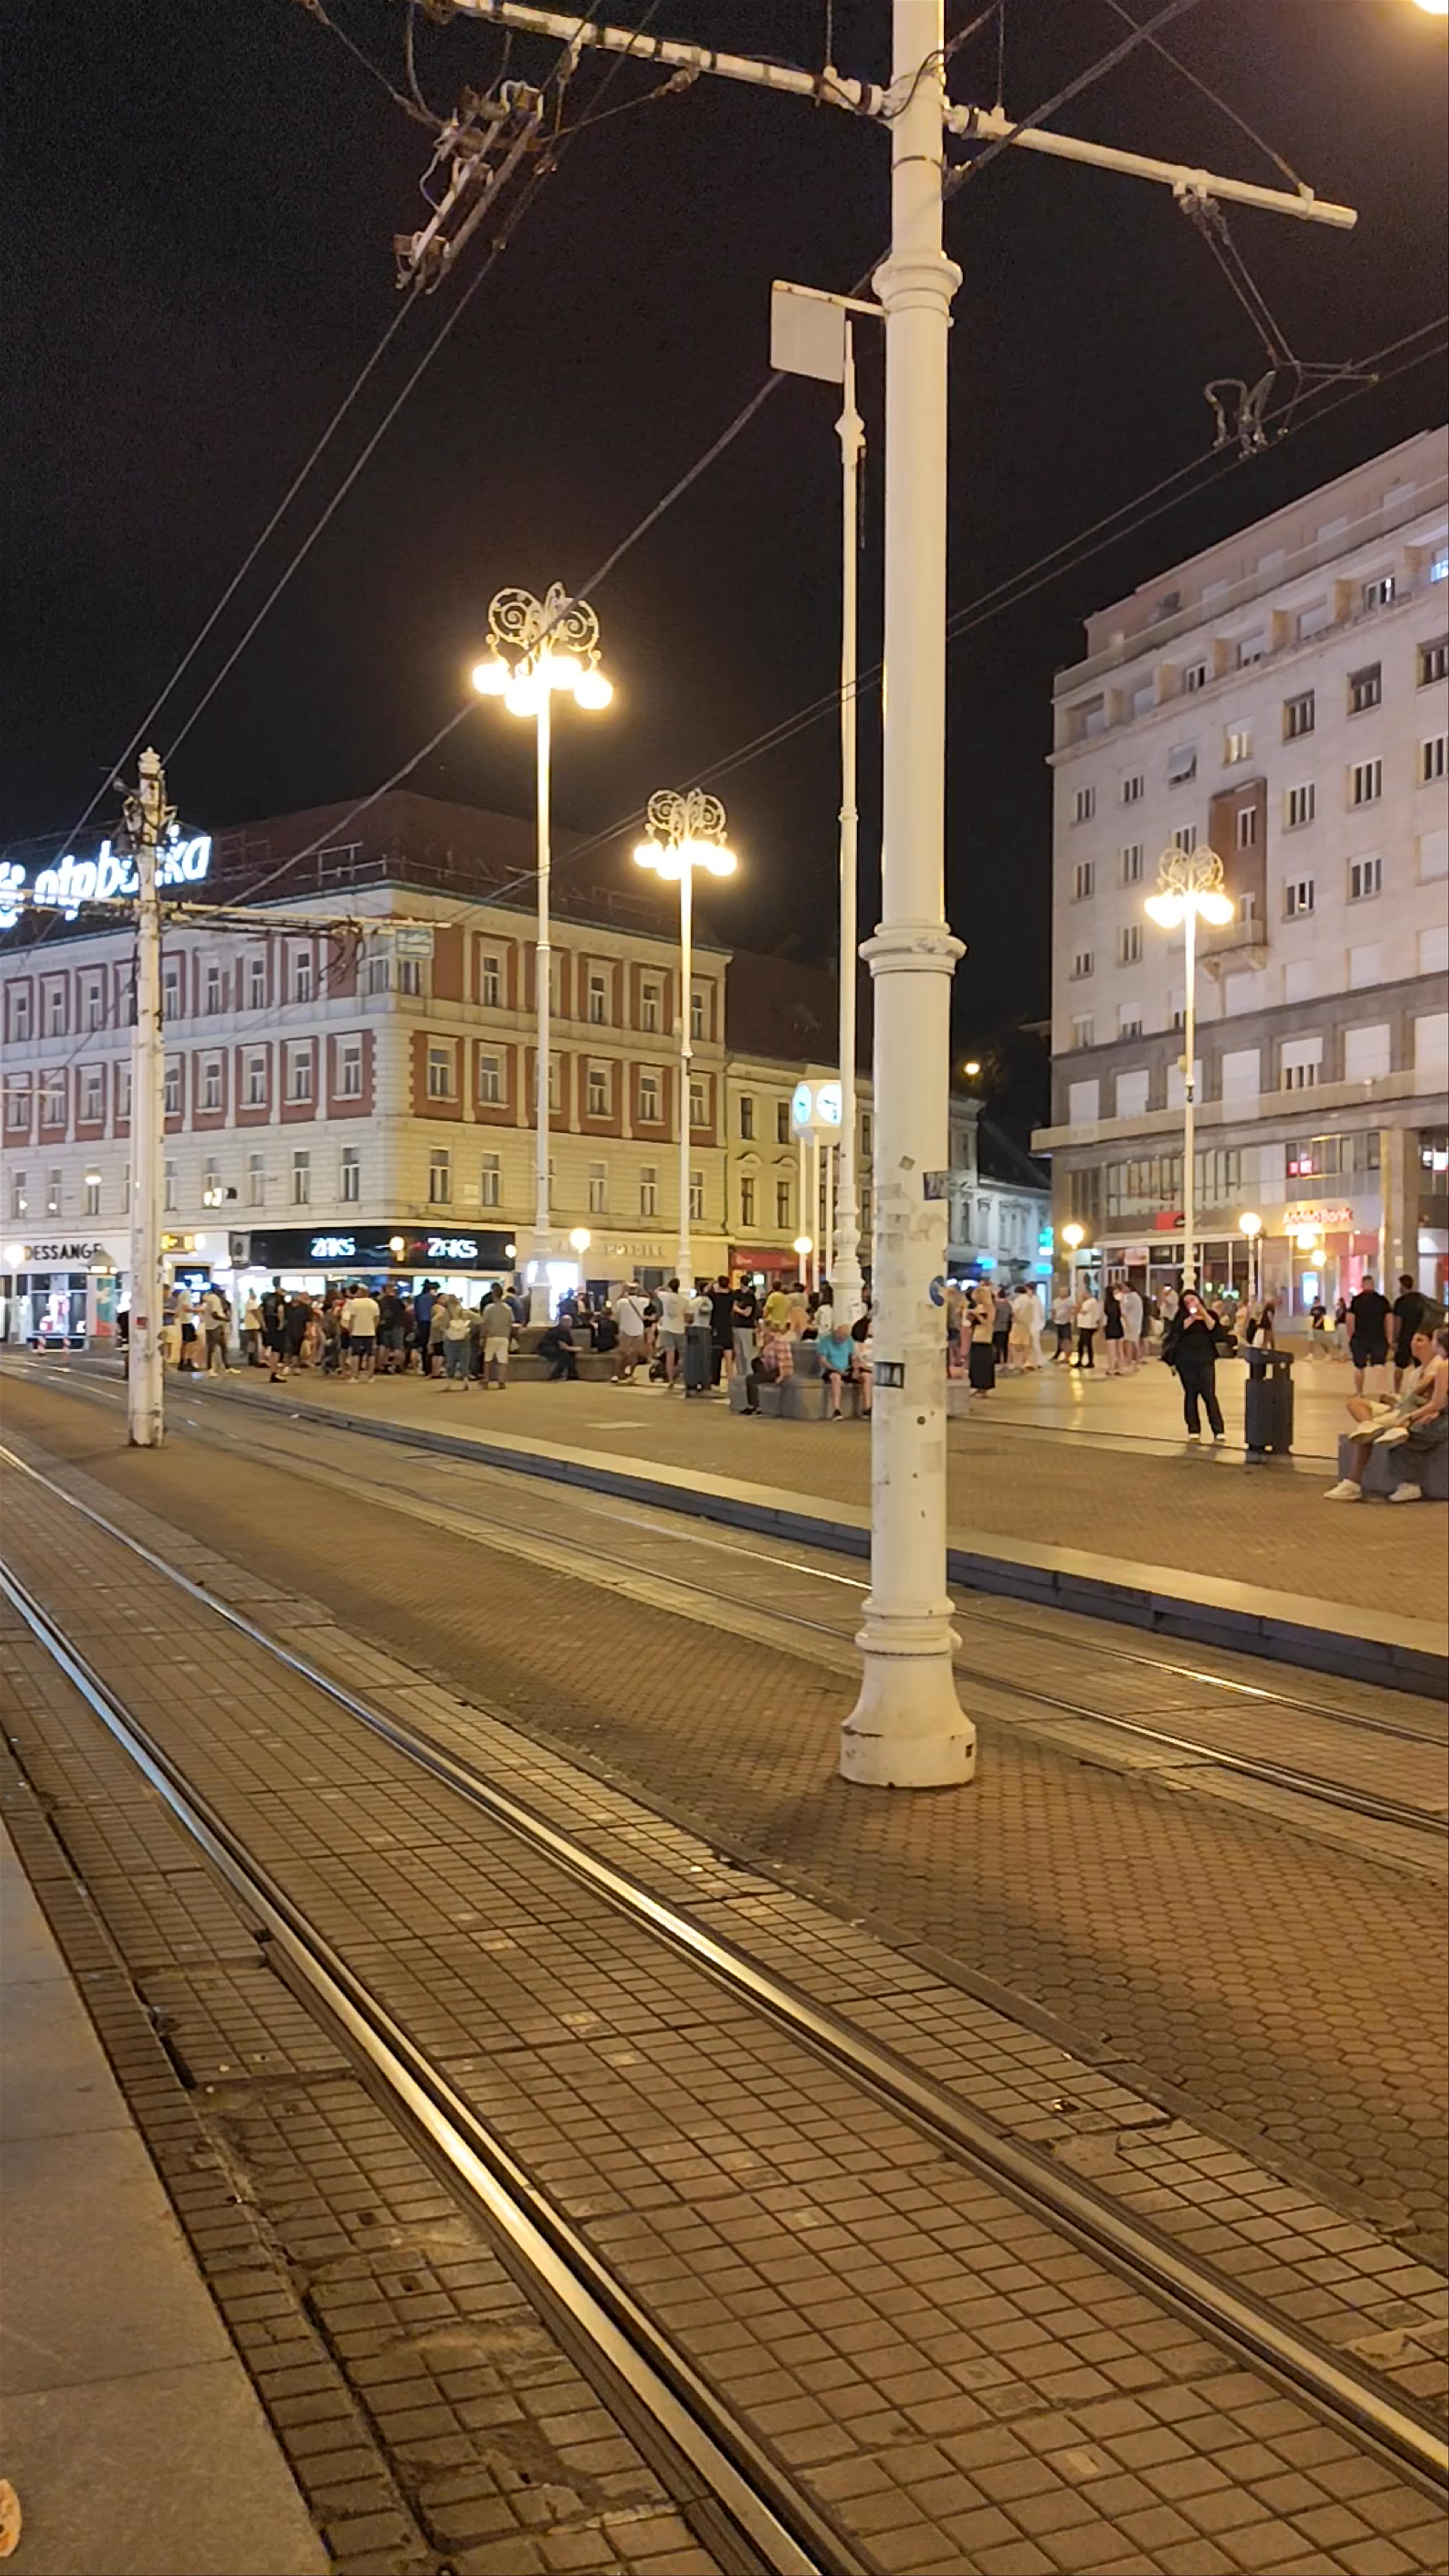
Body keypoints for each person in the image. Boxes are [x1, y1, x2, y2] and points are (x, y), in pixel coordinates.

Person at [1326, 1325, 1448, 1501]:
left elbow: (1435, 1401)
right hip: (1411, 1409)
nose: (1414, 1344)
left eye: (1421, 1340)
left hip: (1422, 1413)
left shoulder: (1441, 1366)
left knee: (1380, 1433)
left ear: (1436, 1344)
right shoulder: (1416, 1371)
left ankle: (1355, 1482)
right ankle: (1370, 1426)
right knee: (1359, 1409)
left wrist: (1412, 1416)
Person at [1163, 1287, 1227, 1442]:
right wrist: (1191, 1317)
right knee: (1191, 1394)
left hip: (1206, 1359)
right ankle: (1194, 1429)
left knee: (1209, 1394)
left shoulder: (1209, 1315)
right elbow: (1178, 1331)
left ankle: (1218, 1429)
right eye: (1187, 1302)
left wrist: (1203, 1314)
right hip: (1186, 1360)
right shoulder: (1181, 1317)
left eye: (1193, 1300)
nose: (1191, 1304)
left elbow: (1215, 1330)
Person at [1347, 1275, 1392, 1396]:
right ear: (1373, 1285)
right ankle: (1385, 1393)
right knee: (1379, 1365)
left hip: (1360, 1337)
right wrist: (1390, 1337)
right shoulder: (1382, 1301)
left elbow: (1350, 1319)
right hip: (1378, 1337)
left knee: (1359, 1366)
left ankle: (1359, 1392)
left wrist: (1351, 1336)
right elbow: (1389, 1319)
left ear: (1363, 1285)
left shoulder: (1357, 1301)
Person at [1392, 1273, 1432, 1389]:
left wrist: (1395, 1339)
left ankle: (1397, 1391)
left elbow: (1398, 1322)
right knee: (1421, 1367)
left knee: (1400, 1367)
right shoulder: (1422, 1300)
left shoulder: (1400, 1302)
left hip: (1405, 1338)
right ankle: (1420, 1389)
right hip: (1421, 1337)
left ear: (1403, 1286)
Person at [815, 1320, 857, 1418]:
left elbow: (854, 1358)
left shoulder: (849, 1341)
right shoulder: (825, 1341)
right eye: (839, 1337)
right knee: (836, 1378)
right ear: (836, 1333)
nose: (840, 1340)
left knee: (867, 1377)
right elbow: (823, 1361)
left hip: (846, 1369)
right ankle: (837, 1409)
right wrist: (838, 1370)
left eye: (843, 1338)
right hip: (830, 1370)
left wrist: (856, 1370)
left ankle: (867, 1409)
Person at [343, 1283, 380, 1378]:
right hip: (370, 1332)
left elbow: (352, 1319)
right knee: (371, 1355)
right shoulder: (374, 1304)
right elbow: (377, 1319)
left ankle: (355, 1376)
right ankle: (370, 1376)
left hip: (357, 1332)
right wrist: (374, 1329)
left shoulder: (355, 1303)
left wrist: (351, 1331)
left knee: (356, 1354)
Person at [614, 1284, 650, 1383]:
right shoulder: (642, 1301)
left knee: (622, 1353)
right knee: (635, 1354)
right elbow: (649, 1297)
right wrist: (641, 1288)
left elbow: (616, 1303)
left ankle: (617, 1374)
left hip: (625, 1329)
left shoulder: (623, 1302)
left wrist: (623, 1291)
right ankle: (631, 1375)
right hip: (638, 1330)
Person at [656, 1277, 688, 1385]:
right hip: (680, 1329)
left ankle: (670, 1379)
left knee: (670, 1355)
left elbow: (657, 1291)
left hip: (667, 1329)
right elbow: (688, 1316)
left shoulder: (666, 1297)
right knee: (684, 1355)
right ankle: (677, 1371)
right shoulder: (684, 1301)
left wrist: (665, 1287)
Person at [480, 1285, 513, 1389]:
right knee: (503, 1360)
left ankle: (486, 1380)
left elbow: (485, 1324)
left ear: (494, 1295)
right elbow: (510, 1322)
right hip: (504, 1336)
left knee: (488, 1359)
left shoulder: (489, 1308)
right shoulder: (508, 1308)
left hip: (491, 1336)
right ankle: (501, 1381)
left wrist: (482, 1337)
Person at [967, 1282, 996, 1393]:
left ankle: (984, 1387)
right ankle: (977, 1385)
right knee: (976, 1364)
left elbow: (988, 1323)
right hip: (975, 1337)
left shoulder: (990, 1308)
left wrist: (977, 1315)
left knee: (984, 1364)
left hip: (985, 1338)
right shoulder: (978, 1307)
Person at [438, 1294, 472, 1390]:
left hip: (451, 1340)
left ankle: (449, 1384)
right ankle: (466, 1382)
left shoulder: (446, 1313)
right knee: (464, 1361)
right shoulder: (464, 1312)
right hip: (464, 1339)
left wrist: (446, 1333)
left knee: (450, 1362)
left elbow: (441, 1325)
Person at [731, 1276, 759, 1381]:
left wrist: (736, 1308)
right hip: (737, 1327)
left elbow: (747, 1314)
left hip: (747, 1328)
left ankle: (748, 1376)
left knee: (747, 1353)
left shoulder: (750, 1297)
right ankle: (741, 1376)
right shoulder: (737, 1294)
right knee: (739, 1354)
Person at [1008, 1285, 1043, 1372]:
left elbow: (1015, 1312)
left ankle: (1017, 1363)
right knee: (1028, 1345)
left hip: (1020, 1325)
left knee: (1014, 1344)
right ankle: (1029, 1363)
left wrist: (1014, 1320)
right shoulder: (1033, 1299)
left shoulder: (1019, 1300)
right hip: (1031, 1325)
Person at [709, 1274, 735, 1383]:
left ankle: (715, 1380)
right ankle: (731, 1379)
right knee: (728, 1354)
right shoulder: (732, 1296)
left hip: (716, 1326)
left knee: (716, 1356)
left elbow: (706, 1292)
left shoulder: (713, 1296)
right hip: (727, 1326)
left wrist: (712, 1283)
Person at [261, 1278, 288, 1381]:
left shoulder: (267, 1298)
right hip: (276, 1322)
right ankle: (274, 1373)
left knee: (269, 1344)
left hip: (268, 1322)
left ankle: (269, 1364)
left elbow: (260, 1310)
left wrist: (263, 1323)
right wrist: (281, 1323)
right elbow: (281, 1310)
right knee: (277, 1349)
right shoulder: (280, 1298)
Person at [537, 1316, 579, 1381]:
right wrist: (576, 1349)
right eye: (567, 1322)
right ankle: (556, 1375)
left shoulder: (565, 1330)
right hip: (547, 1349)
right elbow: (563, 1346)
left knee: (571, 1354)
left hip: (554, 1348)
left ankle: (572, 1375)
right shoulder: (561, 1330)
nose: (569, 1324)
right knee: (564, 1354)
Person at [201, 1285, 231, 1374]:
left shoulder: (207, 1298)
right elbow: (214, 1314)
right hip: (216, 1325)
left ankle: (225, 1366)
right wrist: (225, 1319)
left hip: (210, 1325)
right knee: (215, 1347)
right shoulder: (215, 1299)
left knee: (219, 1347)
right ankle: (211, 1368)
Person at [1073, 1286, 1104, 1371]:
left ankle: (1090, 1362)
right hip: (1084, 1325)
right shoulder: (1087, 1302)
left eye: (1083, 1293)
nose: (1082, 1295)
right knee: (1081, 1344)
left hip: (1089, 1326)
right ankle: (1081, 1361)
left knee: (1087, 1344)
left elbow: (1081, 1311)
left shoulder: (1091, 1302)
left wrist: (1079, 1302)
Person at [850, 1310, 874, 1417]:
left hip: (875, 1369)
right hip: (863, 1370)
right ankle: (867, 1408)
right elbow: (857, 1362)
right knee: (867, 1377)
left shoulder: (878, 1342)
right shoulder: (857, 1345)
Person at [1102, 1284, 1126, 1376]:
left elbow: (1104, 1317)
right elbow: (1122, 1314)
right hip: (1118, 1325)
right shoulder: (1119, 1303)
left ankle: (1111, 1368)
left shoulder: (1106, 1304)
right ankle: (1121, 1368)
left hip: (1110, 1326)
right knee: (1120, 1349)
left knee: (1111, 1350)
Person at [1118, 1282, 1144, 1370]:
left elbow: (1123, 1308)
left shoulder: (1132, 1297)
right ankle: (1136, 1361)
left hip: (1131, 1323)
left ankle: (1129, 1361)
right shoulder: (1136, 1296)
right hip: (1135, 1323)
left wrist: (1121, 1299)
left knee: (1129, 1343)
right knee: (1135, 1342)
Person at [1049, 1289, 1074, 1363]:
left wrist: (1069, 1318)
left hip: (1066, 1323)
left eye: (1064, 1291)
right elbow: (1053, 1310)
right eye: (1061, 1291)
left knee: (1067, 1340)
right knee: (1060, 1340)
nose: (1062, 1292)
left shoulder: (1069, 1301)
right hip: (1058, 1322)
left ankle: (1067, 1357)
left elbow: (1071, 1311)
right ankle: (1058, 1354)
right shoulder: (1056, 1301)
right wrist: (1053, 1318)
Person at [991, 1287, 1012, 1373]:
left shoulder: (996, 1305)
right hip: (1006, 1327)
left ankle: (998, 1361)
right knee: (1004, 1346)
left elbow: (994, 1317)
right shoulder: (1008, 1305)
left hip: (997, 1328)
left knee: (997, 1345)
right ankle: (1005, 1361)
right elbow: (1011, 1315)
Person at [242, 1291, 263, 1368]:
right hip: (254, 1325)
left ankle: (251, 1357)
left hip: (250, 1325)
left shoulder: (248, 1303)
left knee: (252, 1342)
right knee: (255, 1343)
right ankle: (255, 1359)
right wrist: (261, 1322)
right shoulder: (252, 1303)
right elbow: (255, 1312)